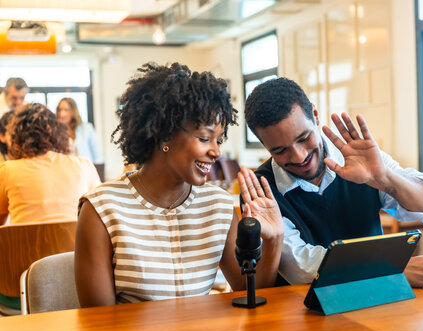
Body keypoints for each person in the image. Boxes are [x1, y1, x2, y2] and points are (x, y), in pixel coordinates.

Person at [75, 62, 283, 307]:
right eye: (205, 138)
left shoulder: (217, 206)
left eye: (219, 140)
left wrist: (274, 240)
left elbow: (248, 293)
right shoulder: (102, 209)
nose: (216, 152)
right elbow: (99, 322)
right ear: (164, 135)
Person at [243, 77, 423, 290]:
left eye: (304, 138)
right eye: (280, 150)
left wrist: (384, 178)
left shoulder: (357, 157)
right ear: (265, 146)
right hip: (302, 314)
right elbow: (299, 266)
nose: (298, 156)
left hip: (377, 298)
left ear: (314, 113)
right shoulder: (261, 191)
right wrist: (391, 269)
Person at [0, 103, 101, 225]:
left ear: (17, 136)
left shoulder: (7, 170)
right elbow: (101, 211)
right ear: (57, 133)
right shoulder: (83, 166)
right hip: (73, 243)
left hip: (25, 243)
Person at [56, 97, 104, 164]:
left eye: (66, 110)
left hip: (85, 170)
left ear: (73, 111)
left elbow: (98, 156)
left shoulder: (87, 128)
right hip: (65, 171)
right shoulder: (56, 131)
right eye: (59, 110)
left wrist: (99, 173)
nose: (62, 114)